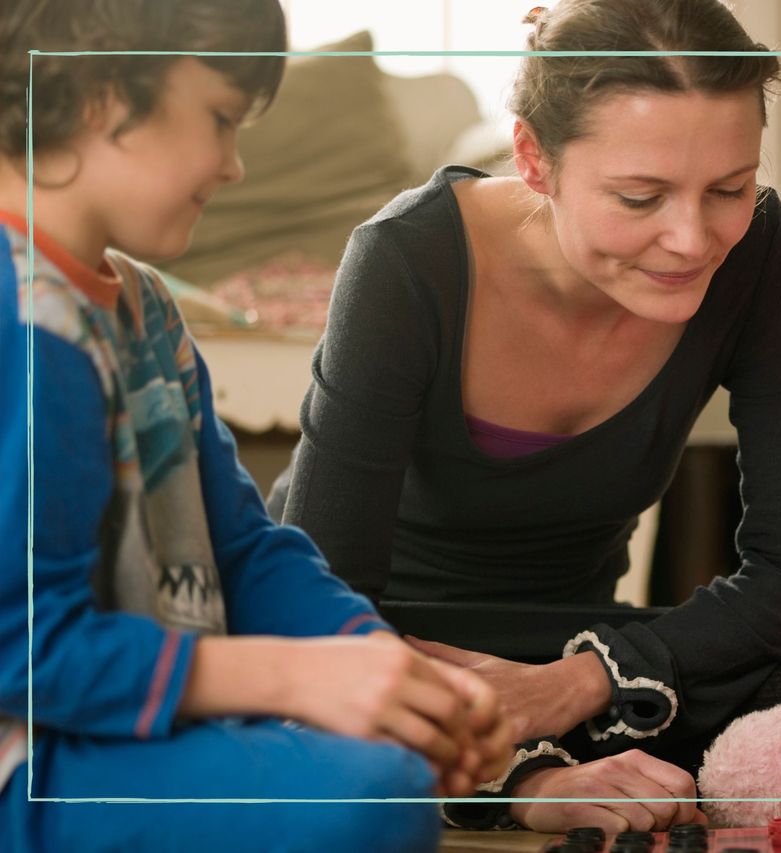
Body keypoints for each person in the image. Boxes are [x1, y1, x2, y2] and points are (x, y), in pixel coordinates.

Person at [271, 0, 781, 832]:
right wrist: (523, 771)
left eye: (729, 187)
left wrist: (573, 682)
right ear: (535, 160)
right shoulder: (406, 258)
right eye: (640, 196)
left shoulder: (760, 251)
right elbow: (323, 606)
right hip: (388, 650)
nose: (691, 239)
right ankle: (514, 775)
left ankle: (594, 756)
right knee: (289, 689)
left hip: (592, 663)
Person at [0, 2, 512, 851]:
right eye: (220, 119)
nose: (234, 165)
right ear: (97, 93)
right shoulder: (24, 325)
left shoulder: (144, 307)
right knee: (367, 794)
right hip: (27, 757)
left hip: (121, 726)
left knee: (388, 764)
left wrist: (385, 669)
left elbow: (240, 548)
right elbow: (17, 648)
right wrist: (290, 674)